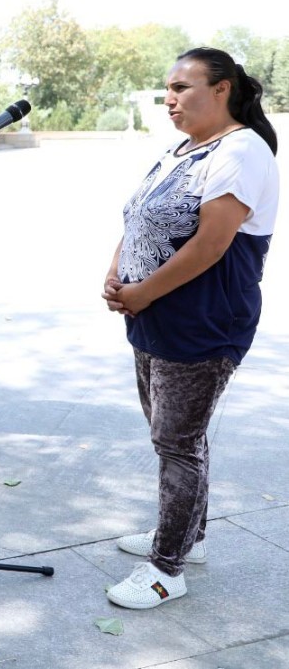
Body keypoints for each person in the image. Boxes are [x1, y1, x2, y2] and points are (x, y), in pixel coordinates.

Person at [102, 47, 279, 609]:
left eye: (182, 87)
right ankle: (186, 535)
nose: (170, 100)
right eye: (166, 90)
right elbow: (140, 217)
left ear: (222, 89)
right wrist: (115, 275)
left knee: (176, 443)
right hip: (155, 317)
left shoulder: (243, 150)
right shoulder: (184, 149)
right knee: (177, 437)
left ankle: (167, 568)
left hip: (202, 322)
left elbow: (211, 243)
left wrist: (141, 291)